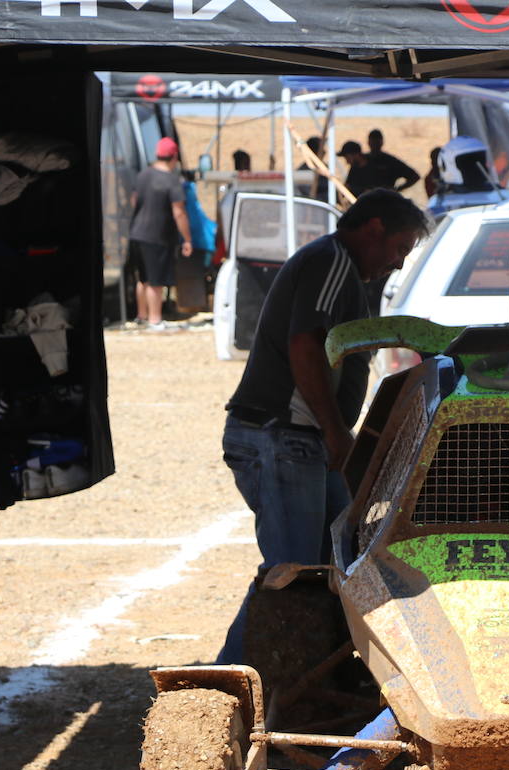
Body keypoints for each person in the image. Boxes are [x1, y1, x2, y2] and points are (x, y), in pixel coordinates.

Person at [215, 189, 431, 665]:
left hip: (300, 440)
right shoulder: (332, 261)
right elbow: (306, 346)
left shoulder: (344, 270)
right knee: (294, 573)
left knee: (341, 555)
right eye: (399, 247)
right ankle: (225, 678)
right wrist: (336, 431)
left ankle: (315, 670)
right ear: (372, 229)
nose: (397, 264)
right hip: (284, 436)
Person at [128, 137, 191, 330]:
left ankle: (142, 315)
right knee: (156, 281)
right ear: (174, 157)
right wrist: (187, 239)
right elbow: (179, 212)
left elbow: (133, 200)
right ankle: (155, 320)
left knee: (143, 279)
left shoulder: (143, 175)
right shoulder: (172, 180)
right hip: (157, 236)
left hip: (137, 233)